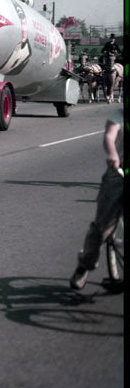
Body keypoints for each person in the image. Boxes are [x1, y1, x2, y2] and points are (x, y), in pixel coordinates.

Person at [70, 105, 125, 290]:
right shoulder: (119, 114)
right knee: (102, 228)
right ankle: (85, 265)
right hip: (119, 173)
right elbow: (110, 136)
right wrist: (112, 154)